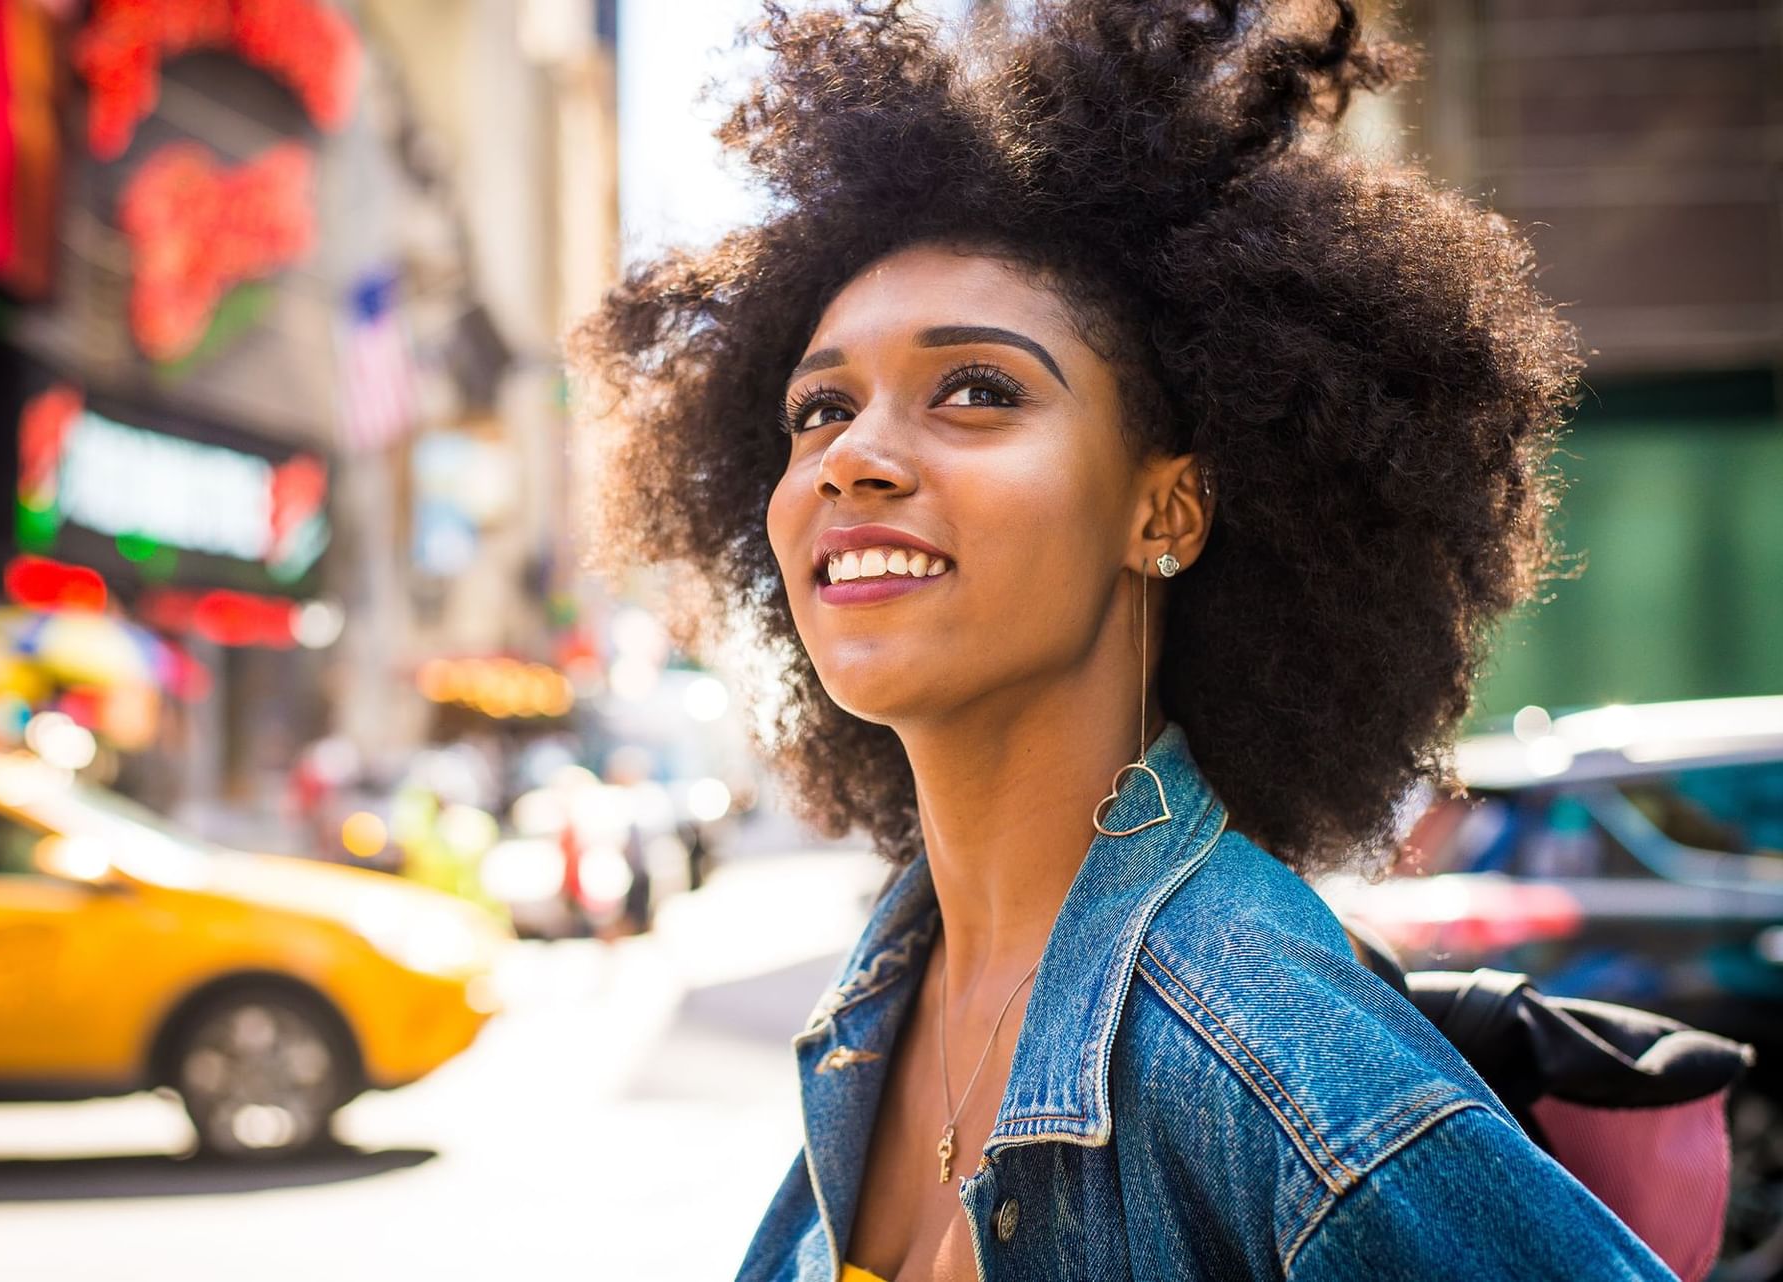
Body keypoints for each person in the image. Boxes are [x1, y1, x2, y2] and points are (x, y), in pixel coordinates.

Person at [569, 2, 1680, 1279]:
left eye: (978, 390)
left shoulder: (1284, 1063)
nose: (851, 458)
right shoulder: (879, 1004)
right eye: (818, 408)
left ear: (1166, 508)